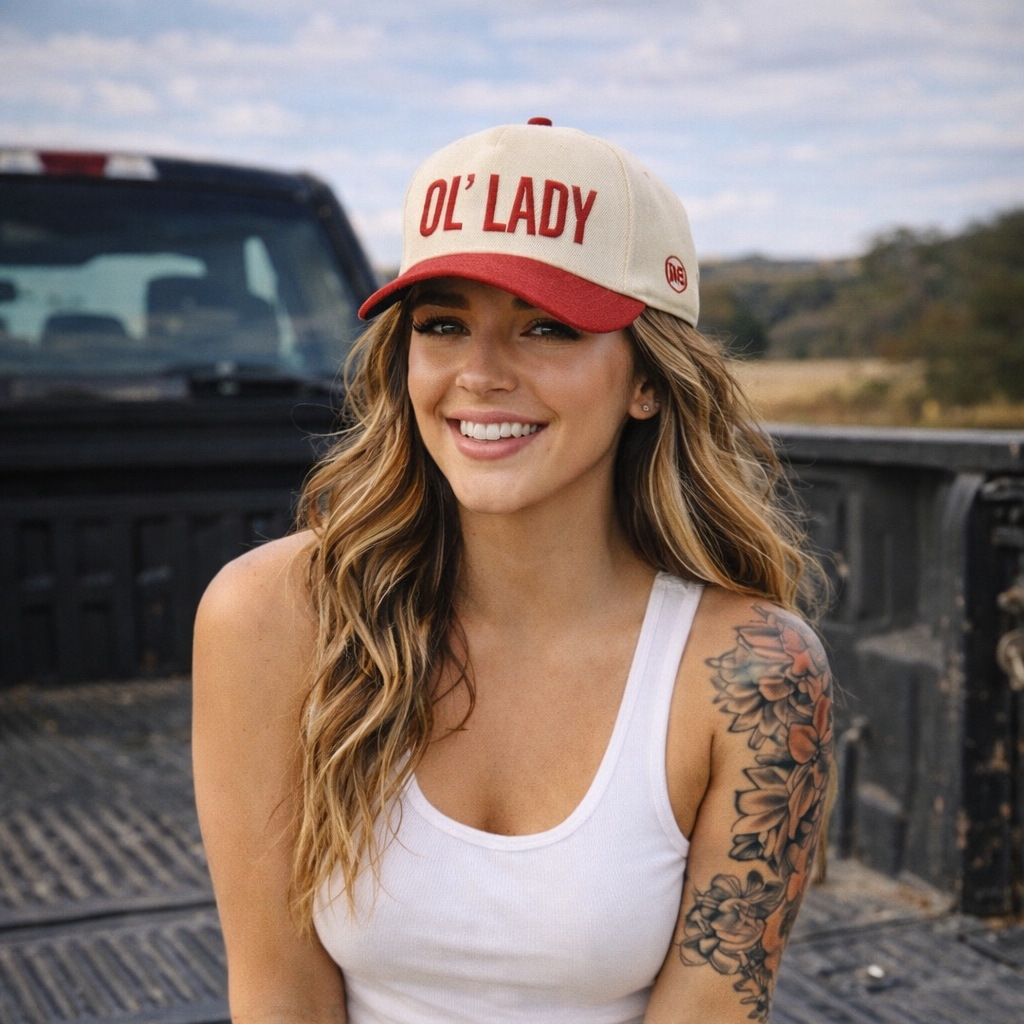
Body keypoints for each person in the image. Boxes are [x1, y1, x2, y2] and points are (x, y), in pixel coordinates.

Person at [192, 118, 834, 1024]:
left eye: (547, 327)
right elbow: (277, 994)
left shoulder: (756, 674)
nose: (480, 373)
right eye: (443, 325)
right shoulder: (271, 616)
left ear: (647, 379)